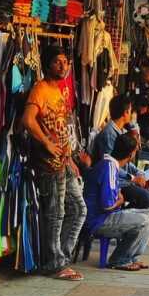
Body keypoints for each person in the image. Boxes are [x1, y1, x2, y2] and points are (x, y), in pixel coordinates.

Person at [22, 46, 87, 281]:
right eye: (58, 62)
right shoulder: (40, 89)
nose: (64, 66)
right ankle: (54, 263)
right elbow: (28, 120)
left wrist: (69, 157)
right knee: (55, 212)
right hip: (48, 164)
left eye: (66, 62)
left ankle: (62, 256)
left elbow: (61, 126)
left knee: (78, 209)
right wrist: (47, 144)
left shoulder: (60, 90)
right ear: (48, 64)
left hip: (63, 162)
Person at [83, 132, 149, 271]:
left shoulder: (110, 164)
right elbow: (107, 205)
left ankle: (131, 257)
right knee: (143, 221)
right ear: (130, 155)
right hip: (99, 220)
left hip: (107, 215)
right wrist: (120, 200)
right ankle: (119, 259)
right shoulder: (109, 167)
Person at [93, 95, 149, 209]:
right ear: (125, 112)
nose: (131, 114)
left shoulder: (123, 131)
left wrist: (141, 175)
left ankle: (129, 213)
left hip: (126, 178)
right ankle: (125, 214)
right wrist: (134, 179)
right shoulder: (108, 134)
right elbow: (110, 166)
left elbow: (125, 160)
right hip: (116, 181)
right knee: (147, 197)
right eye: (130, 111)